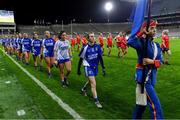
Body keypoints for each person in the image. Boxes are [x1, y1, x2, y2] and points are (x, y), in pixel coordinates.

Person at [128, 20, 164, 119]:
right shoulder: (141, 43)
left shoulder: (156, 45)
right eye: (152, 28)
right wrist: (142, 32)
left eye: (155, 28)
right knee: (156, 106)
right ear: (146, 29)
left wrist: (151, 62)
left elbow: (160, 62)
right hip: (144, 78)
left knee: (141, 105)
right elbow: (130, 41)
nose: (154, 30)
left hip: (152, 79)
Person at [77, 32, 106, 109]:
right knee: (93, 83)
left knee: (90, 81)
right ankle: (96, 101)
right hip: (88, 66)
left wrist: (103, 68)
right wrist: (78, 69)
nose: (93, 37)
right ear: (88, 38)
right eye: (91, 36)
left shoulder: (98, 47)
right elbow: (80, 60)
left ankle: (83, 89)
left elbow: (100, 58)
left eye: (93, 36)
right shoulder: (85, 48)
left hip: (95, 66)